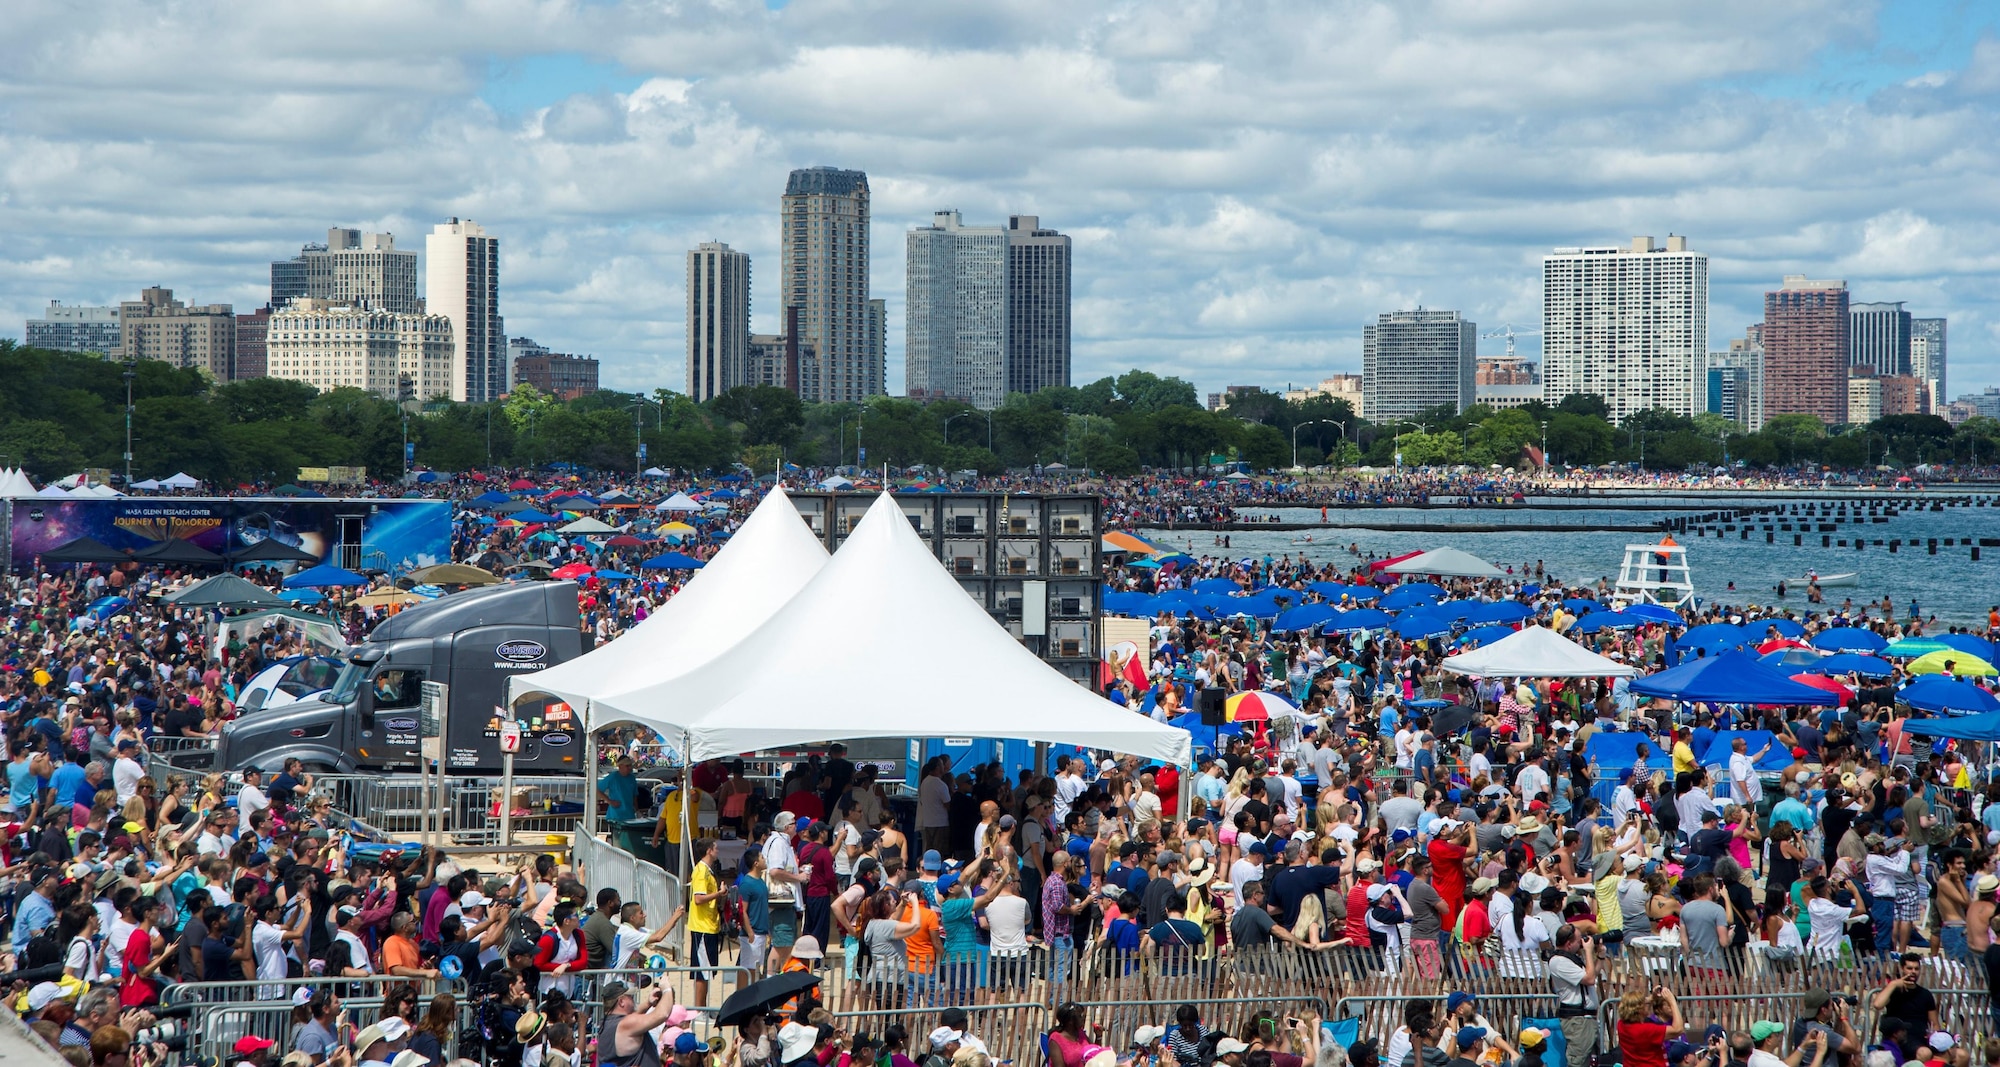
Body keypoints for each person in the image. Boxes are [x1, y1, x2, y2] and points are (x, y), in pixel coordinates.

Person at [1546, 925, 1598, 1067]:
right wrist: (1588, 951)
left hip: (1586, 1019)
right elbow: (1589, 979)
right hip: (1577, 1020)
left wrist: (1599, 956)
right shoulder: (1558, 961)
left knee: (1589, 1062)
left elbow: (1592, 975)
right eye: (1579, 940)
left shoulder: (1572, 959)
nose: (1582, 942)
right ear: (1569, 944)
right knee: (1578, 1062)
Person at [1869, 952, 1938, 1041]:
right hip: (1899, 1039)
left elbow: (1935, 1023)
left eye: (1916, 969)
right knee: (1924, 1053)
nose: (1913, 972)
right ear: (1902, 969)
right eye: (1909, 968)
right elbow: (1878, 1005)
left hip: (1921, 1039)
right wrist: (1893, 984)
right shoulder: (1893, 990)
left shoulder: (1925, 994)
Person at [1614, 985, 1683, 1067]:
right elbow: (1678, 1029)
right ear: (1640, 1010)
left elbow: (1634, 1005)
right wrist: (1672, 1002)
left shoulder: (1621, 1024)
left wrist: (1652, 997)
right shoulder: (1645, 1030)